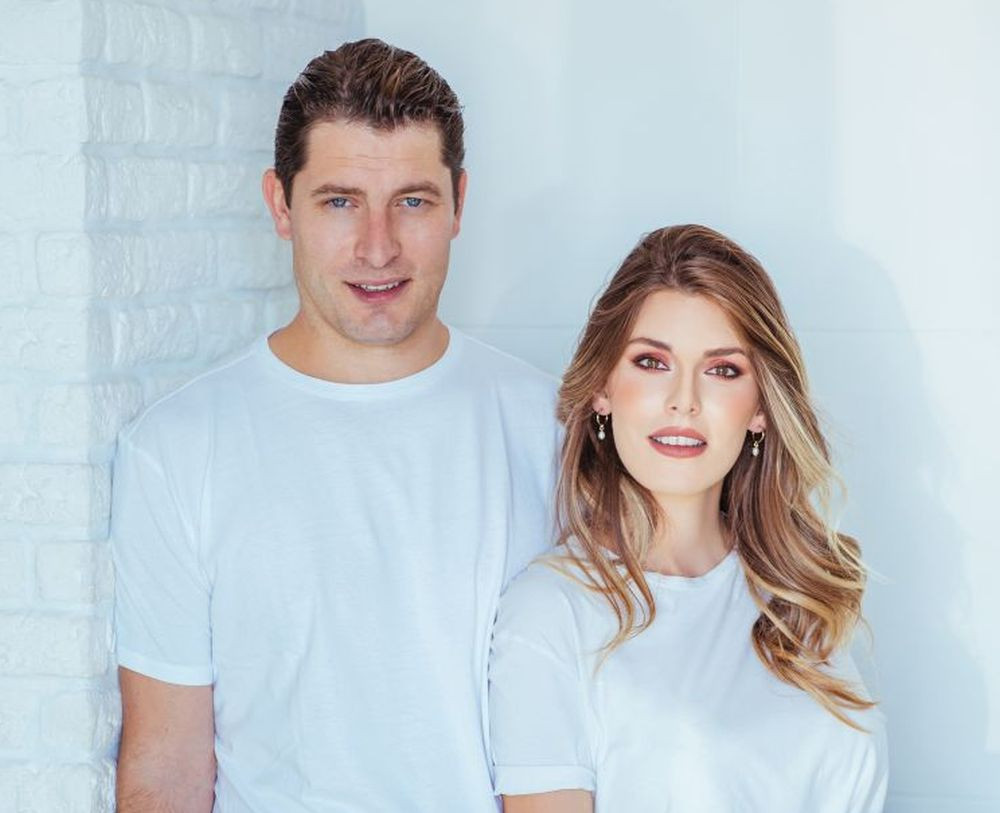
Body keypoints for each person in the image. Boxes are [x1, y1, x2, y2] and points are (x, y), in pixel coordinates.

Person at [111, 39, 559, 811]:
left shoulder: (553, 427)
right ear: (280, 205)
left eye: (412, 201)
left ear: (459, 203)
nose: (377, 248)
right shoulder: (178, 449)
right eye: (340, 201)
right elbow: (165, 768)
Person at [489, 224, 888, 812]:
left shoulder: (795, 598)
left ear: (760, 408)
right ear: (602, 388)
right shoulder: (551, 613)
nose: (684, 400)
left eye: (722, 370)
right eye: (651, 362)